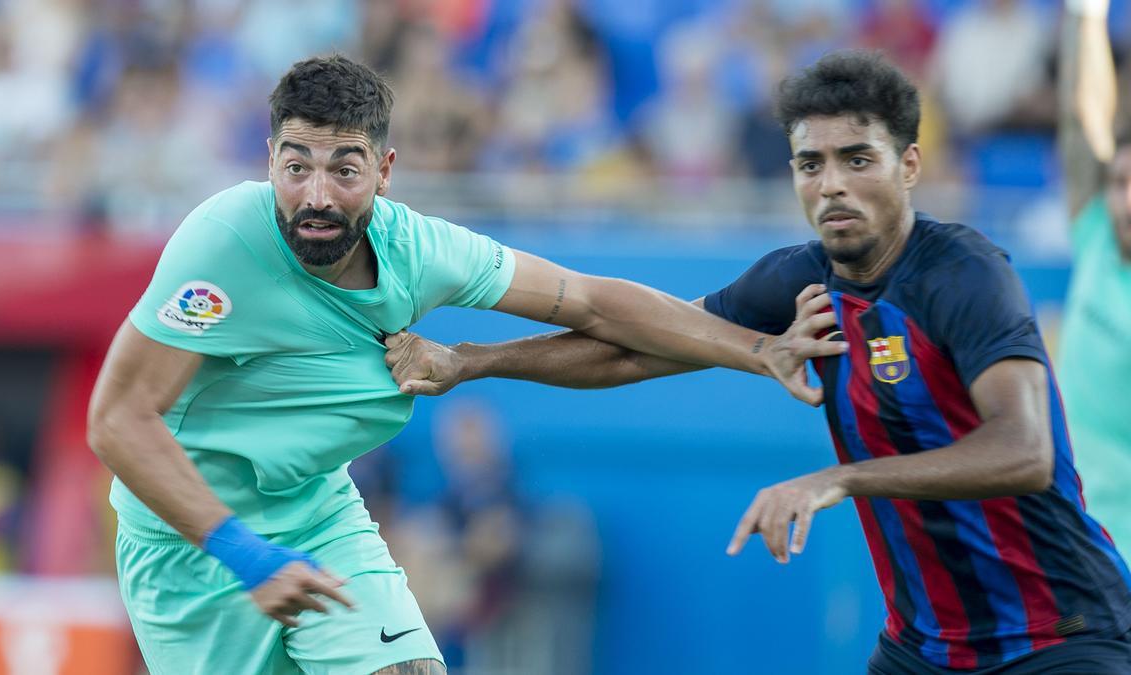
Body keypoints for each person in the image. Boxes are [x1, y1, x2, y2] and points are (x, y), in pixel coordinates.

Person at [86, 54, 842, 675]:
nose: (316, 194)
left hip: (318, 514)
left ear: (384, 170)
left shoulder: (423, 251)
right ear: (270, 162)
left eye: (343, 169)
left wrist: (756, 350)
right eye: (296, 166)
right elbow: (119, 419)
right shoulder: (221, 246)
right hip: (190, 543)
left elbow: (592, 302)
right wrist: (244, 552)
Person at [383, 51, 1131, 673]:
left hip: (1059, 633)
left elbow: (1025, 450)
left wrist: (837, 478)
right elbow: (632, 350)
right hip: (925, 648)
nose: (830, 183)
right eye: (810, 163)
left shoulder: (965, 273)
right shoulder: (797, 280)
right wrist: (475, 361)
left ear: (909, 165)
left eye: (856, 159)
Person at [1057, 0, 1131, 556]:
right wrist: (1087, 14)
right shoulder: (1099, 237)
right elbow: (1084, 126)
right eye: (1120, 182)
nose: (1126, 201)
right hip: (1075, 545)